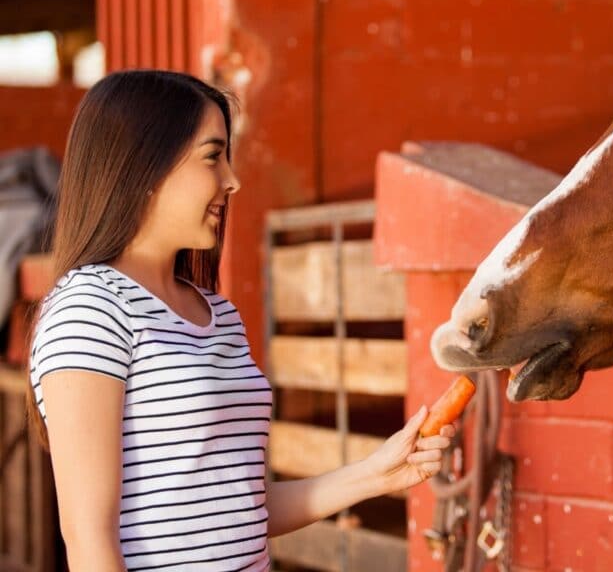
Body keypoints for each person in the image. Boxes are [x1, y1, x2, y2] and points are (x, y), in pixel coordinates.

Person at [26, 70, 453, 571]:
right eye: (213, 156)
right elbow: (88, 539)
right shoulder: (91, 310)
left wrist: (377, 474)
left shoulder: (218, 314)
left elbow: (240, 506)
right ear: (144, 164)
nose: (232, 180)